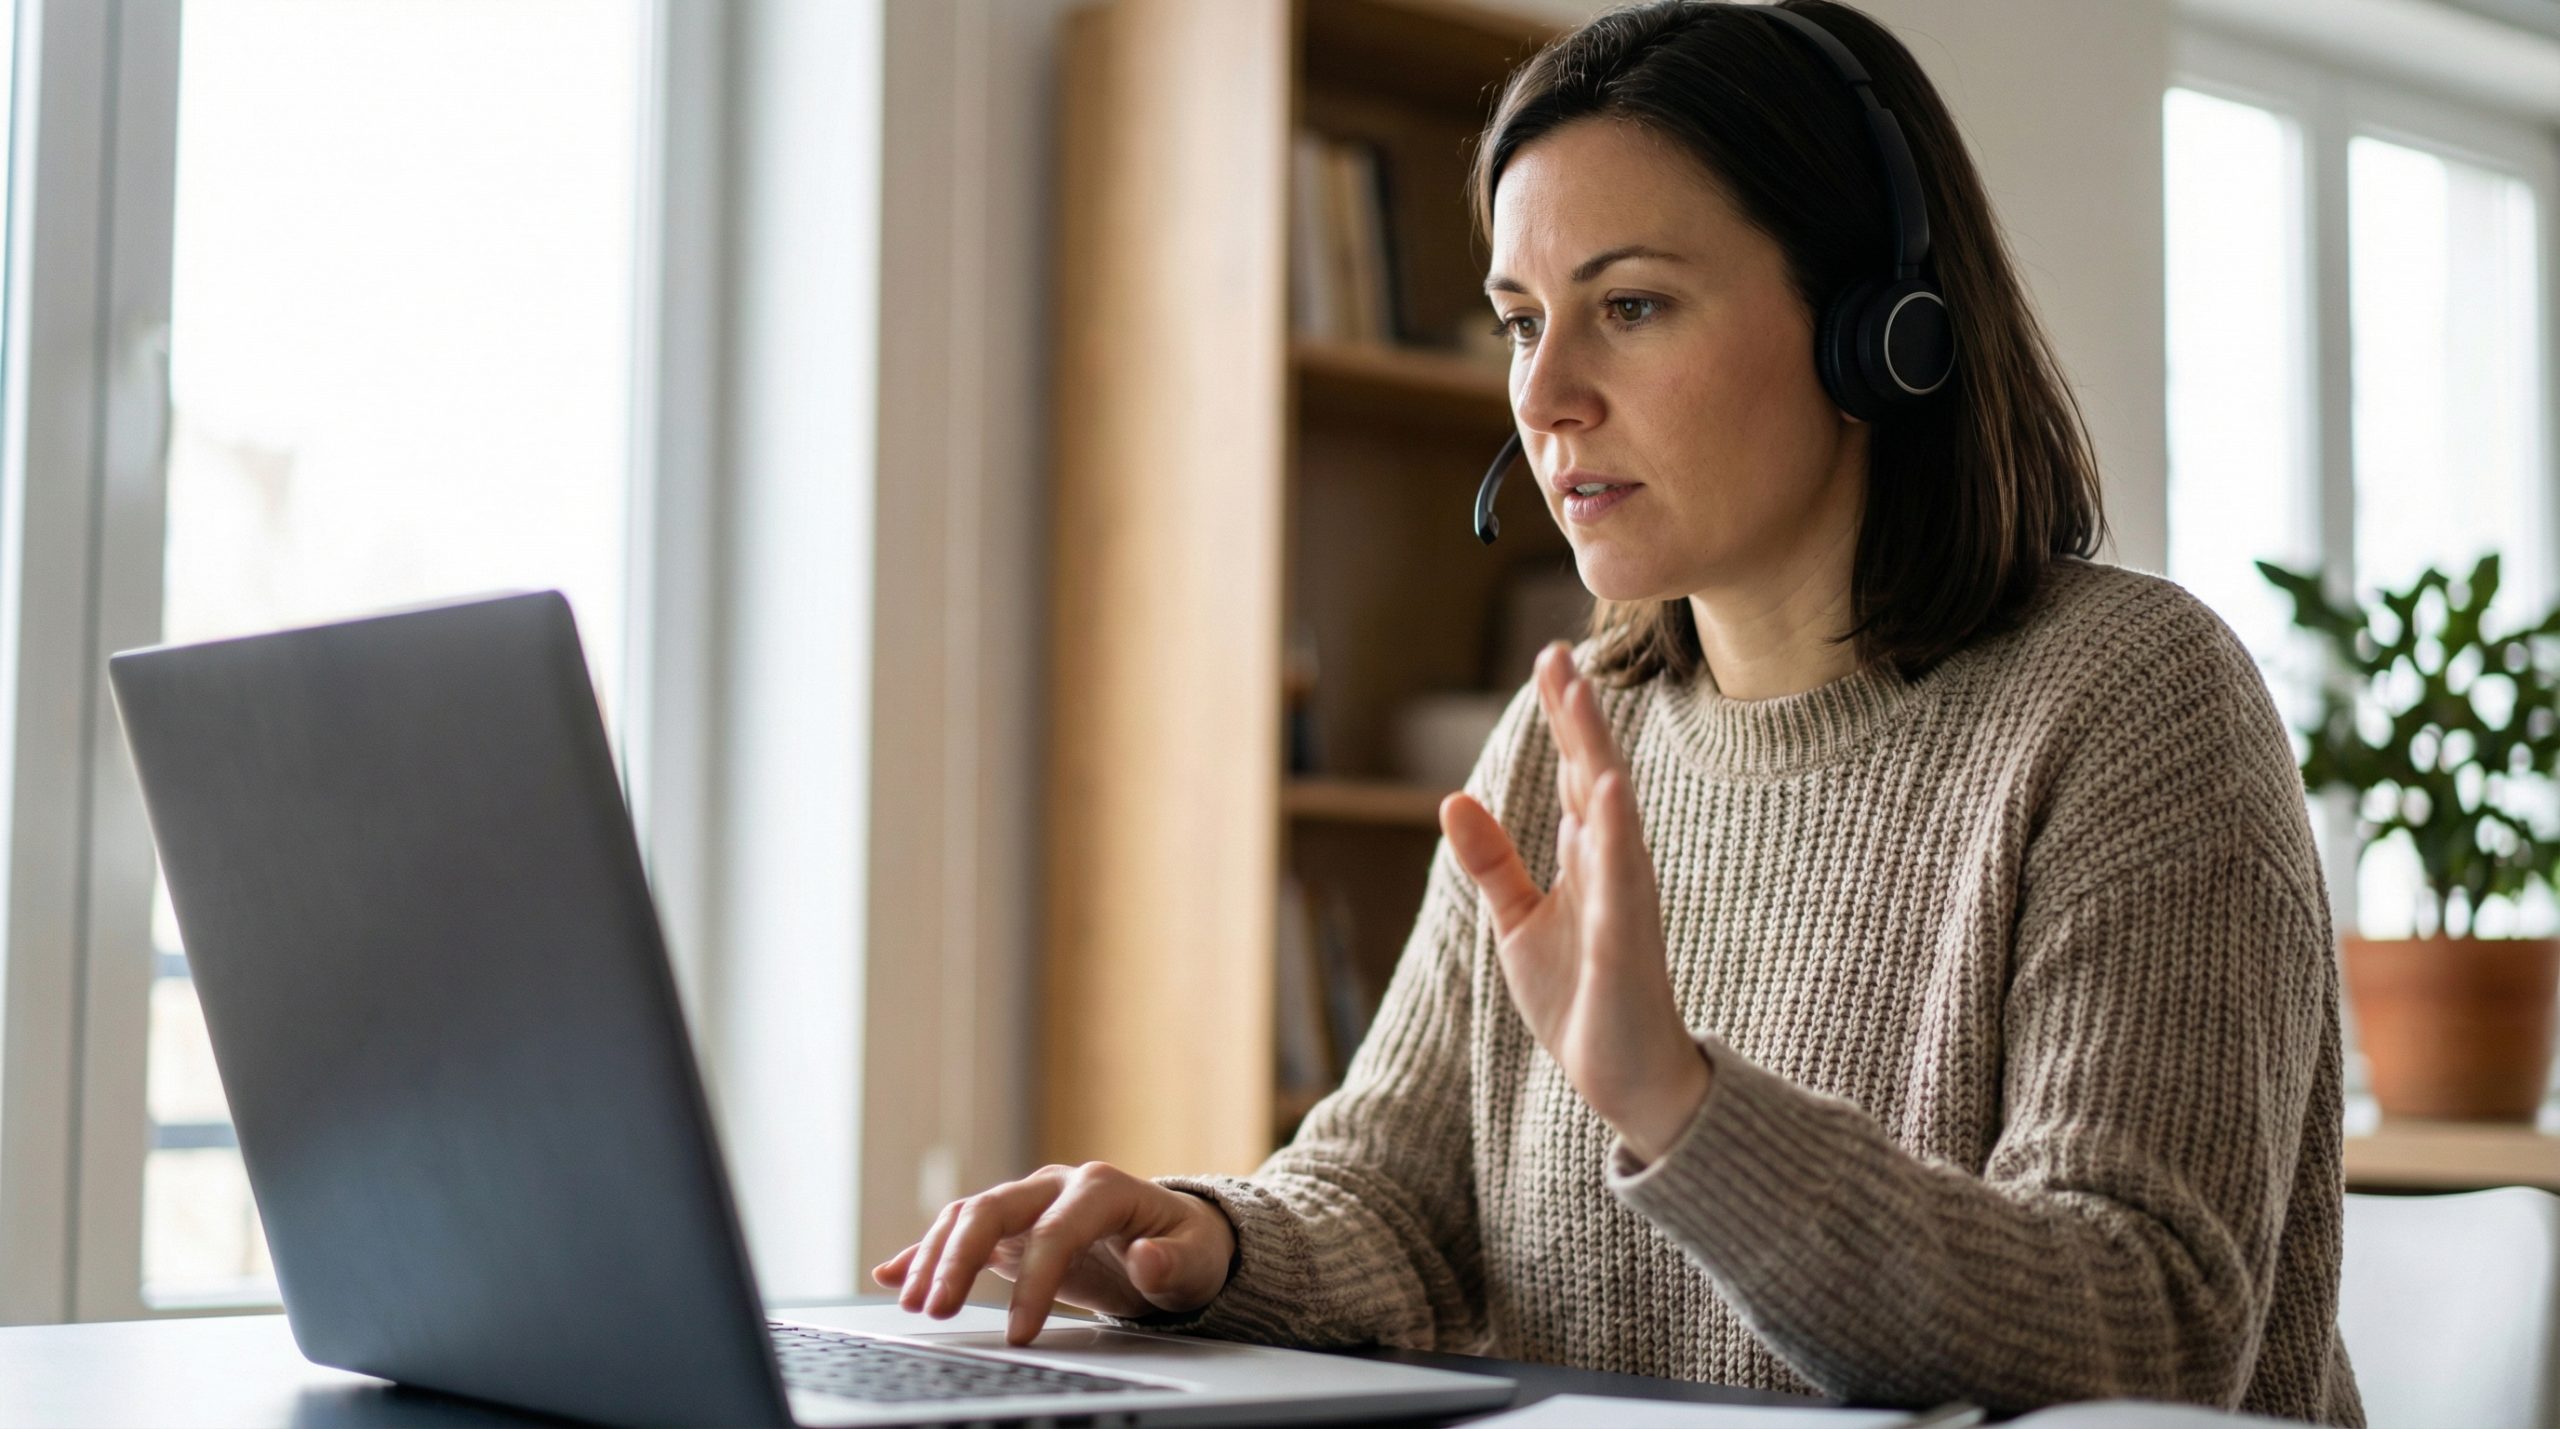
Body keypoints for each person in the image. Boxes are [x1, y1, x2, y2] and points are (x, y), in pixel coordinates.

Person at [873, 2, 2363, 1421]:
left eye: (1630, 305)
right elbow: (1396, 1202)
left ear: (1876, 329)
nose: (1547, 394)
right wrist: (1208, 1240)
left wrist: (1682, 1106)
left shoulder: (2134, 704)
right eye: (1523, 320)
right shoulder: (1578, 729)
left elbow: (2149, 1328)